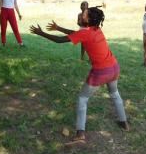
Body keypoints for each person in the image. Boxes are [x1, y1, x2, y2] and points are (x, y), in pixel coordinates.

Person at [30, 7, 129, 144]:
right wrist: (58, 27)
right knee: (115, 93)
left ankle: (80, 133)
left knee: (83, 98)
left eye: (84, 14)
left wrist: (41, 33)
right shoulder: (96, 29)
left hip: (101, 71)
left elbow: (60, 41)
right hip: (114, 67)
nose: (81, 14)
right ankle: (124, 123)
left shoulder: (85, 33)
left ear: (87, 19)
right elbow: (76, 33)